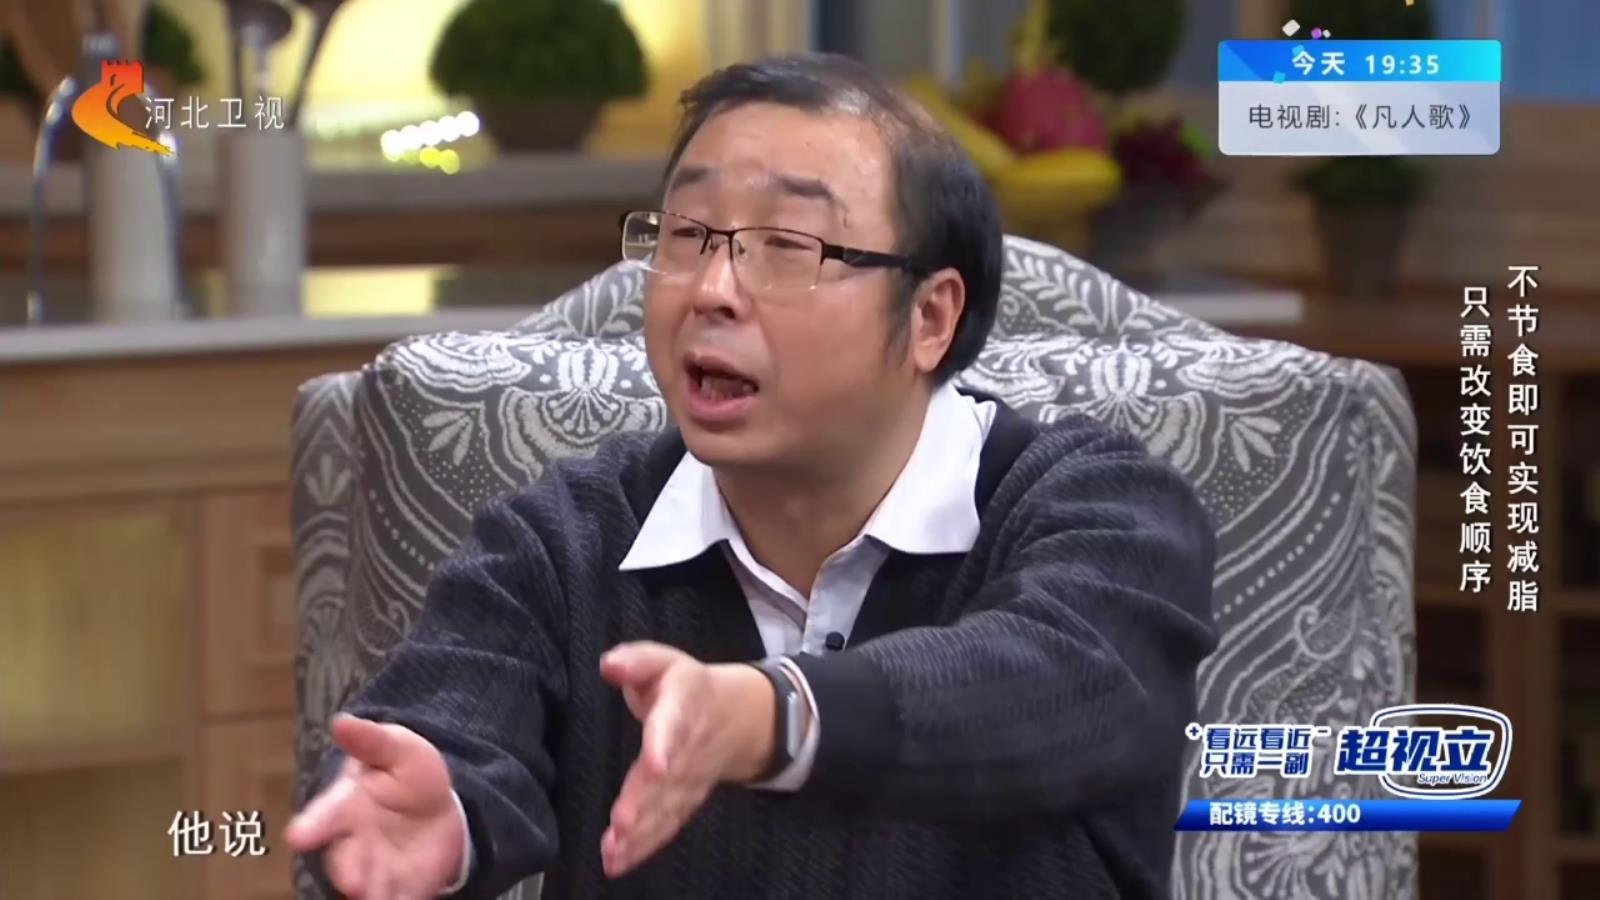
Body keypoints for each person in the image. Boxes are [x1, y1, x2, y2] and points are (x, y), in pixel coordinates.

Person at [285, 52, 1218, 899]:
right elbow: (444, 727)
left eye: (788, 246)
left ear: (930, 319)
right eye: (688, 235)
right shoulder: (562, 541)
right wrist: (436, 817)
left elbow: (1057, 684)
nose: (711, 289)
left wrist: (769, 717)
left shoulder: (1102, 512)